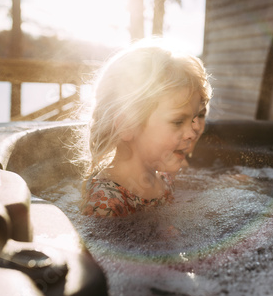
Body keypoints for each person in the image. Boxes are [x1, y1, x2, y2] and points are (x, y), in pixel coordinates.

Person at [78, 39, 212, 217]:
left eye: (194, 119)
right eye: (178, 122)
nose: (191, 133)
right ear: (127, 125)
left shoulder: (164, 179)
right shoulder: (106, 204)